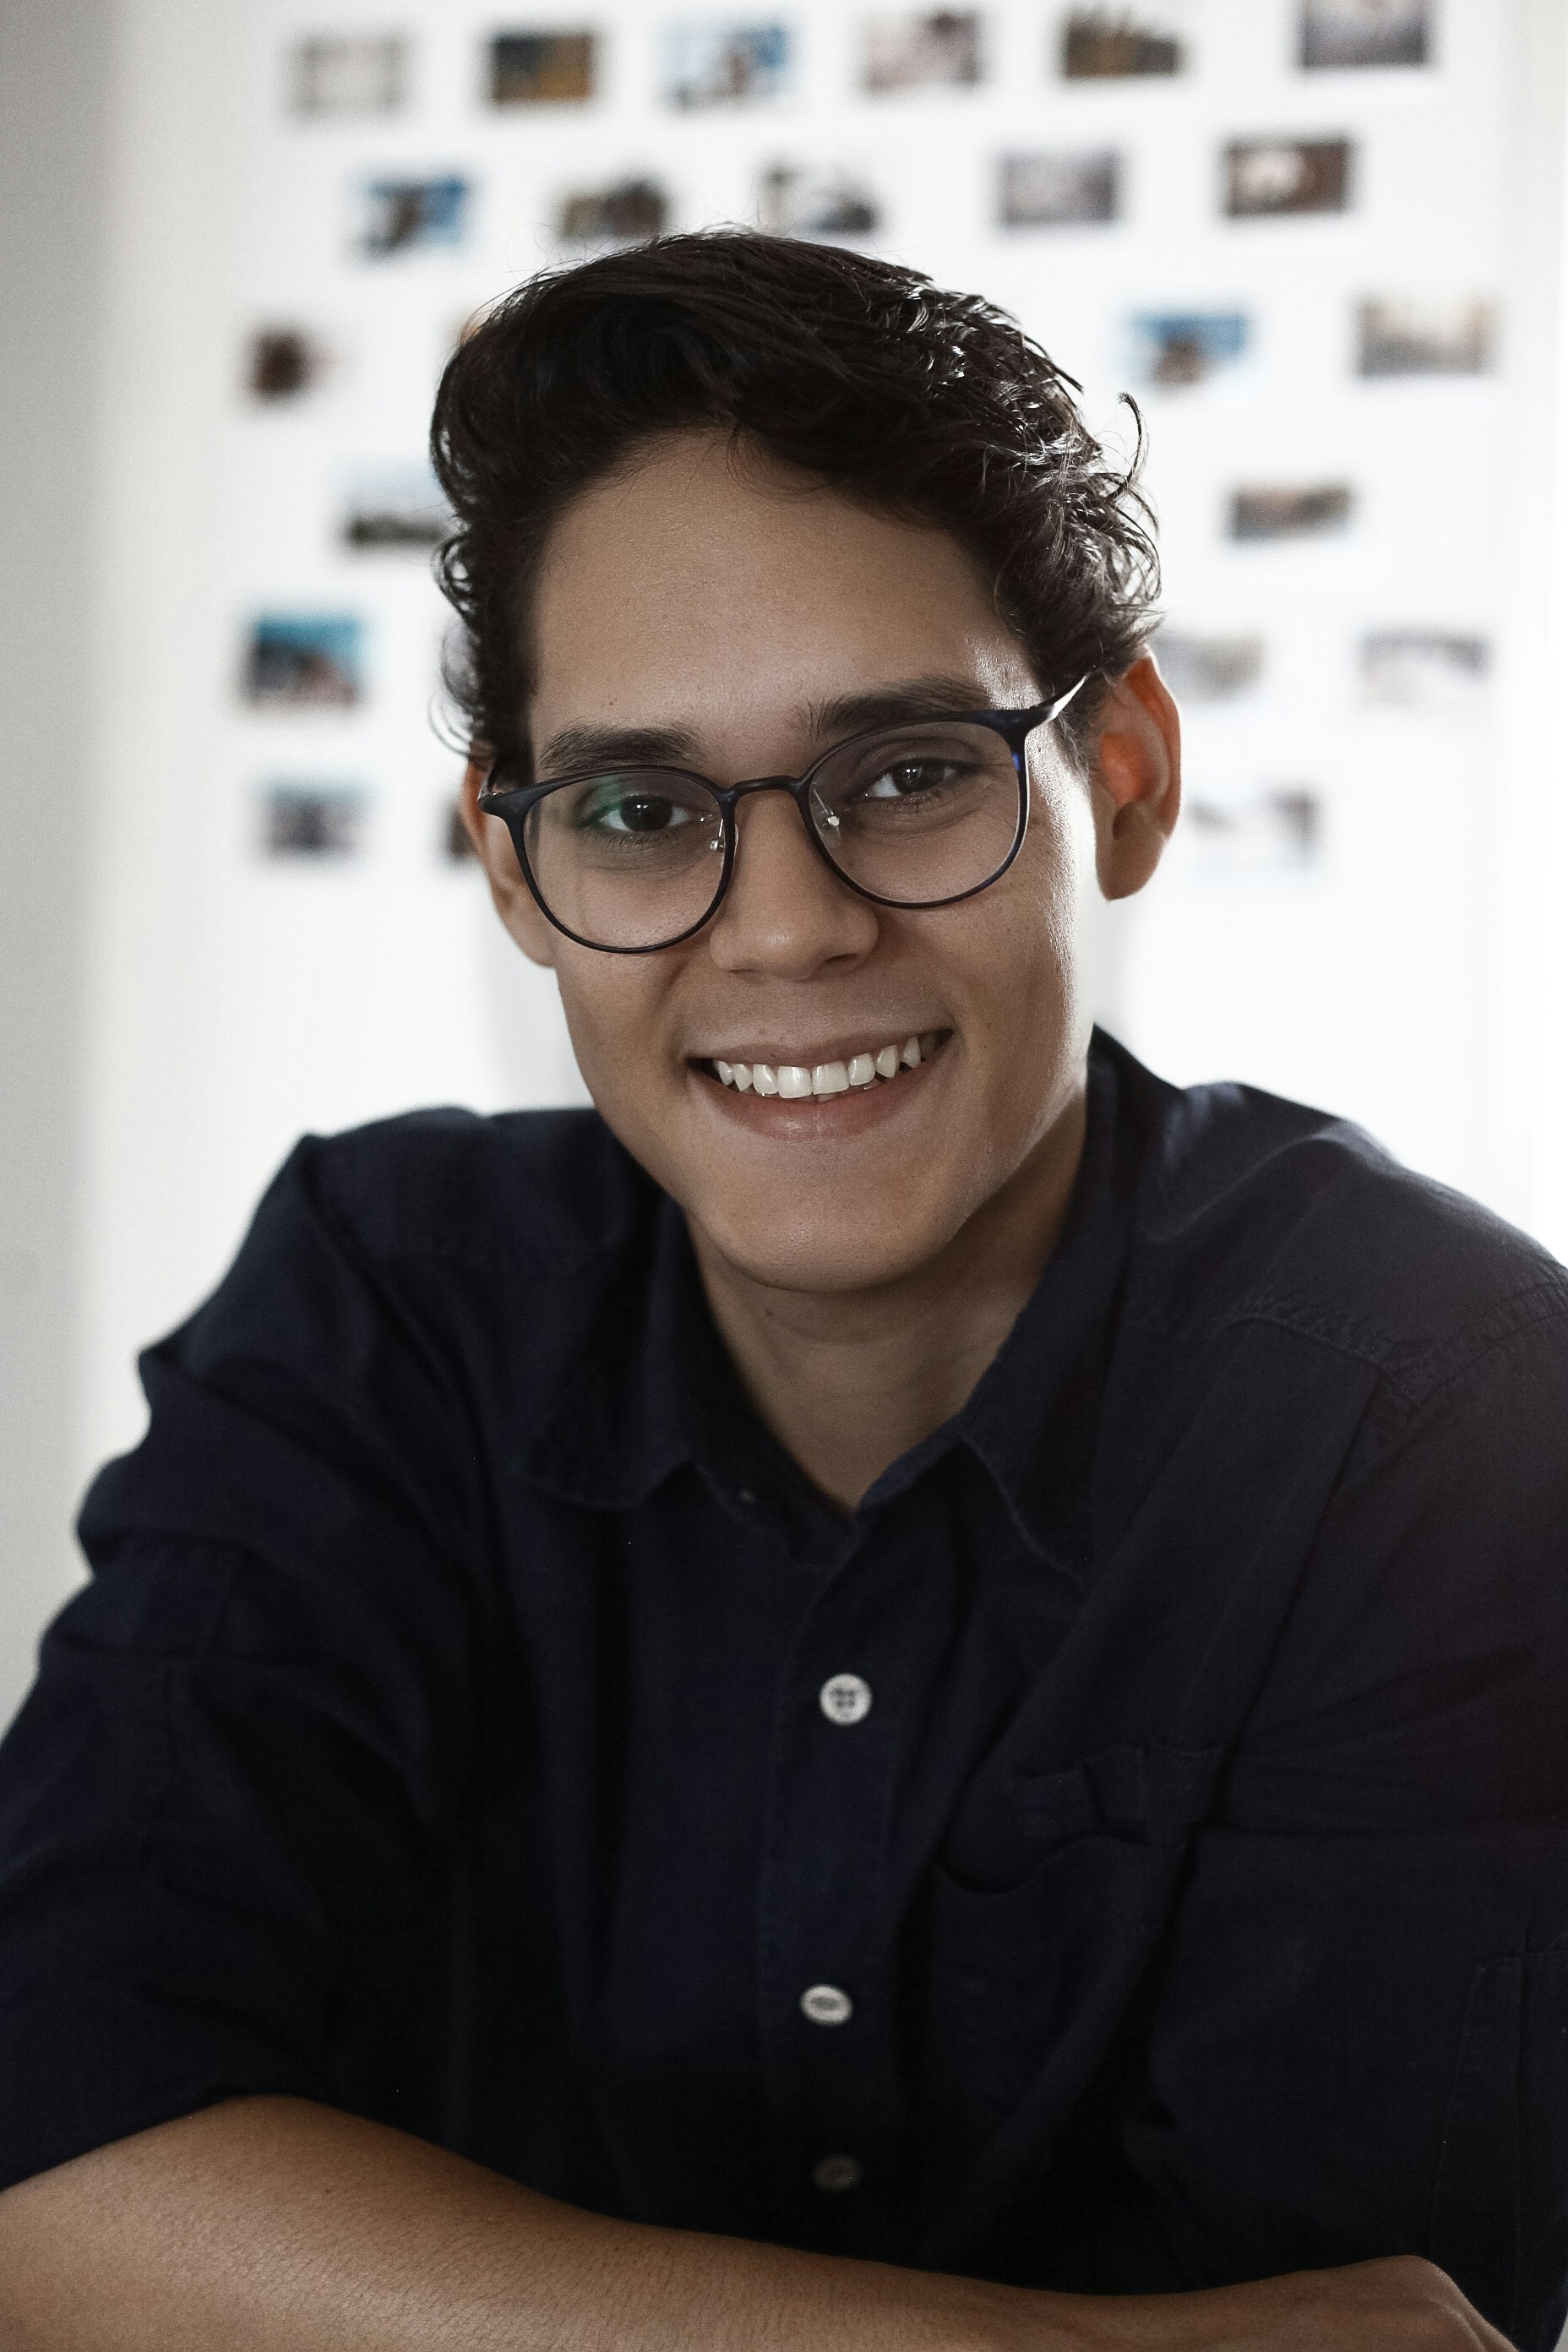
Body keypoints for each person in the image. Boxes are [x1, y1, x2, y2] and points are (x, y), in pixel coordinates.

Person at [0, 232, 1562, 2352]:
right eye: (643, 809)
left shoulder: (1439, 1408)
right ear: (512, 861)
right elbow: (48, 2164)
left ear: (1116, 779)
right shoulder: (385, 1305)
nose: (785, 933)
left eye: (907, 770)